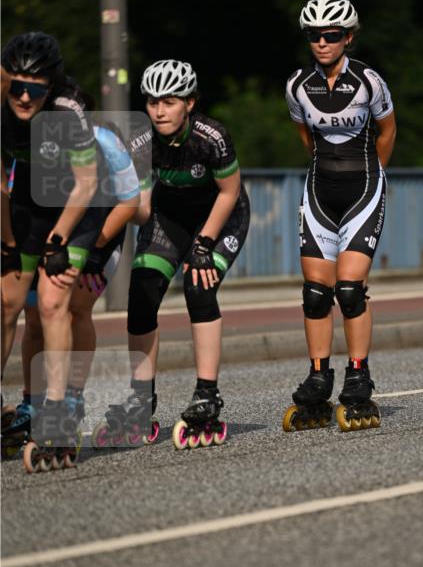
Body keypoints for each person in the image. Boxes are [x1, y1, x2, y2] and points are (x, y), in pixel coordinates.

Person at [95, 59, 250, 450]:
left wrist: (203, 244)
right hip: (169, 218)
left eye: (169, 102)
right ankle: (140, 400)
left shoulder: (212, 136)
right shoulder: (141, 141)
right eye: (152, 102)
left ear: (190, 103)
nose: (160, 111)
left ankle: (207, 395)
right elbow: (143, 209)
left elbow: (230, 193)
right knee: (141, 296)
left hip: (220, 217)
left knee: (199, 288)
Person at [283, 0, 397, 432]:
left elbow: (388, 131)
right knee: (316, 292)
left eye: (331, 35)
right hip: (319, 190)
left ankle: (358, 374)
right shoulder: (297, 85)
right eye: (314, 35)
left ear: (348, 37)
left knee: (349, 289)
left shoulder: (369, 81)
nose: (322, 42)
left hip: (363, 188)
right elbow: (305, 138)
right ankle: (318, 376)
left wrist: (375, 176)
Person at [3, 123, 140, 456]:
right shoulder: (28, 139)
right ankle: (33, 401)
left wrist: (94, 251)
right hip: (54, 228)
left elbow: (129, 203)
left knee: (76, 307)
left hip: (101, 229)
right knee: (35, 315)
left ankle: (73, 398)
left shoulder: (103, 140)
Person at [0, 32, 99, 469]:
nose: (24, 97)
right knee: (7, 303)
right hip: (27, 200)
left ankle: (56, 410)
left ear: (51, 86)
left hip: (76, 204)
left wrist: (58, 239)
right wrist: (7, 242)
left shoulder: (67, 109)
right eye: (17, 87)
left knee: (52, 302)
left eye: (35, 89)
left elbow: (87, 183)